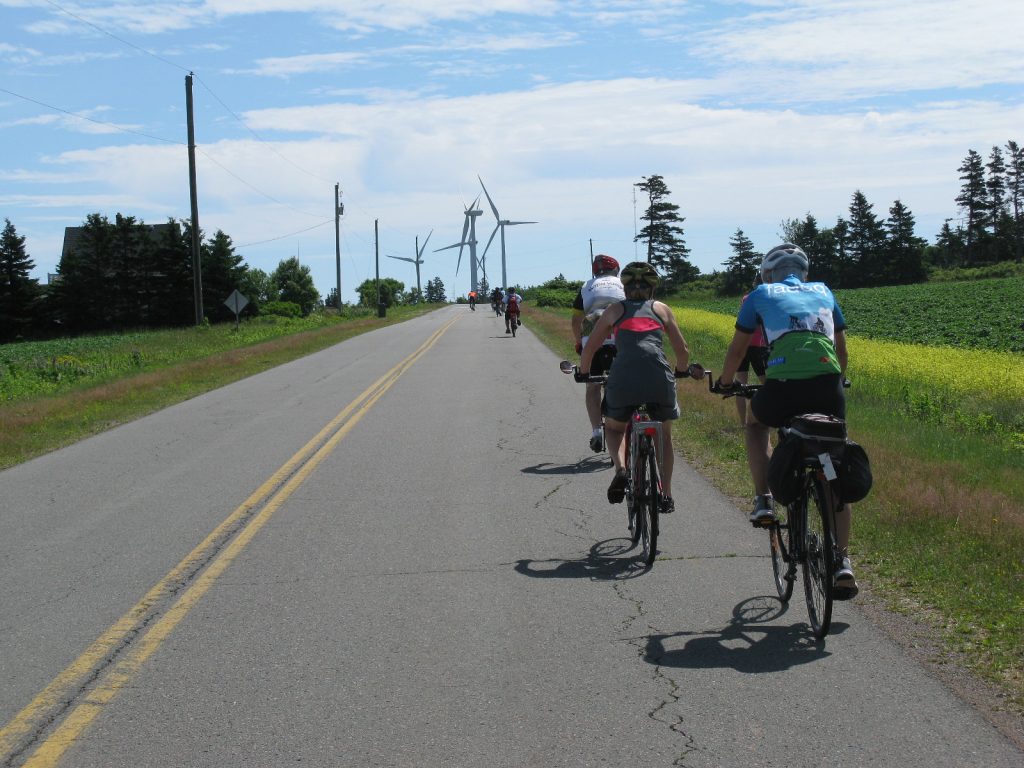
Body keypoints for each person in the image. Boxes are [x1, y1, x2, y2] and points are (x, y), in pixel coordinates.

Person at [715, 243, 858, 598]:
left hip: (781, 389)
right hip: (828, 390)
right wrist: (838, 381)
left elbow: (737, 350)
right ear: (804, 273)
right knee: (832, 465)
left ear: (767, 274)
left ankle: (763, 498)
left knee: (755, 425)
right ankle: (842, 560)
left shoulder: (759, 294)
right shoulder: (824, 291)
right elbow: (841, 350)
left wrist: (726, 382)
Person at [579, 261, 702, 515]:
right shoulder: (661, 309)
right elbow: (682, 350)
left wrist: (583, 372)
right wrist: (681, 370)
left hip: (623, 377)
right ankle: (666, 495)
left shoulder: (615, 310)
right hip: (658, 378)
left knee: (614, 428)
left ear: (625, 289)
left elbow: (590, 347)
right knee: (663, 435)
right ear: (651, 289)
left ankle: (621, 469)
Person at [572, 254, 626, 452]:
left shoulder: (586, 287)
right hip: (621, 340)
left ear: (595, 271)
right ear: (616, 270)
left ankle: (596, 432)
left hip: (593, 341)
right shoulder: (624, 285)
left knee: (592, 386)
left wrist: (579, 343)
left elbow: (576, 320)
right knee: (625, 383)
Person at [735, 273, 769, 427]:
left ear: (755, 282)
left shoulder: (746, 298)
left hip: (743, 344)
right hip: (758, 346)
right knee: (768, 385)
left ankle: (743, 423)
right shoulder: (767, 299)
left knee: (740, 385)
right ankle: (768, 419)